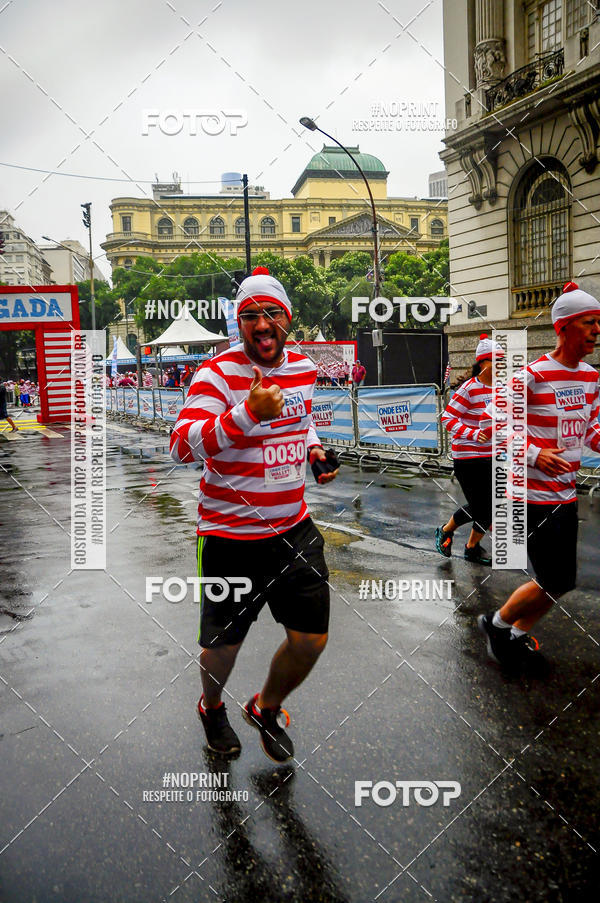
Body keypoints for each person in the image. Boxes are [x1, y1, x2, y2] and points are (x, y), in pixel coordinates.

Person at [170, 266, 339, 762]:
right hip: (229, 535)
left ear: (288, 319)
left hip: (293, 528)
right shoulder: (215, 374)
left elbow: (302, 422)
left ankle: (266, 706)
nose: (261, 324)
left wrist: (314, 452)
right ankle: (212, 705)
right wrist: (247, 414)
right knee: (224, 648)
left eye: (272, 314)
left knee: (311, 640)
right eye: (249, 315)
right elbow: (181, 447)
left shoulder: (304, 369)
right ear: (236, 324)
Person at [478, 282, 600, 672]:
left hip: (564, 494)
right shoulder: (532, 374)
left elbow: (592, 429)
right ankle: (497, 625)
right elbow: (494, 420)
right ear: (564, 327)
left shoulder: (590, 378)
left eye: (598, 322)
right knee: (551, 577)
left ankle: (512, 632)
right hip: (529, 495)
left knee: (562, 581)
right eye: (589, 322)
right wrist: (534, 453)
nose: (597, 330)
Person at [436, 334, 504, 565]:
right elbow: (447, 418)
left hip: (492, 456)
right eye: (497, 361)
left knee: (493, 506)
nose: (501, 366)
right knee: (482, 507)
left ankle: (471, 548)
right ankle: (446, 530)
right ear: (484, 363)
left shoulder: (501, 390)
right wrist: (474, 434)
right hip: (467, 457)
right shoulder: (469, 389)